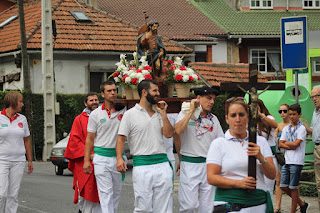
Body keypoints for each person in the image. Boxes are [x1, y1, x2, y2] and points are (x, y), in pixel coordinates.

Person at [207, 97, 276, 213]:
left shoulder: (261, 142)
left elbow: (272, 174)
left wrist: (261, 157)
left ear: (248, 117)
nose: (238, 119)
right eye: (233, 115)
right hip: (229, 204)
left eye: (241, 115)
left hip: (257, 204)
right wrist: (239, 183)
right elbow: (211, 177)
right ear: (227, 119)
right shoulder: (219, 144)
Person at [116, 79, 173, 213]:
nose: (158, 93)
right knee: (143, 208)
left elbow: (169, 134)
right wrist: (119, 158)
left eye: (157, 91)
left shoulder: (160, 113)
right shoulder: (129, 114)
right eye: (155, 91)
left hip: (162, 165)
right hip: (142, 166)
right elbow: (121, 138)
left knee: (164, 208)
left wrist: (164, 114)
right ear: (144, 92)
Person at [175, 86, 224, 213]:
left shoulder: (214, 119)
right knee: (189, 206)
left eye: (213, 99)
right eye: (208, 98)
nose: (212, 102)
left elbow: (221, 143)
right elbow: (178, 130)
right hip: (190, 165)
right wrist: (191, 111)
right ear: (198, 98)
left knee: (207, 207)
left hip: (209, 166)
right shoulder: (185, 114)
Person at [83, 81, 126, 213]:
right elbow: (90, 139)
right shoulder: (95, 114)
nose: (113, 93)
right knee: (105, 193)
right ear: (102, 94)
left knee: (115, 194)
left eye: (114, 90)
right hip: (101, 158)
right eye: (109, 91)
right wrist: (86, 161)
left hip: (118, 158)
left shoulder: (124, 110)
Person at [64, 92, 100, 213]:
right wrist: (88, 154)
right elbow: (74, 141)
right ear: (85, 103)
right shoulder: (79, 119)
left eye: (96, 100)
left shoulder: (104, 116)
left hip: (101, 159)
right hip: (84, 161)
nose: (94, 102)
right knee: (85, 193)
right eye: (91, 100)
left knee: (102, 194)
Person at [0, 91, 33, 213]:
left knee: (13, 194)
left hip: (18, 161)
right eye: (20, 101)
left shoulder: (22, 119)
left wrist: (29, 160)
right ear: (12, 102)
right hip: (2, 160)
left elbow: (26, 140)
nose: (22, 104)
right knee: (1, 194)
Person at [279, 104, 309, 213]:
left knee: (293, 187)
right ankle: (302, 204)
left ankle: (293, 211)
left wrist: (287, 143)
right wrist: (290, 144)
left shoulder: (301, 128)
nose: (291, 116)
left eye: (294, 114)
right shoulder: (286, 128)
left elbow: (296, 144)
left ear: (299, 115)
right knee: (283, 185)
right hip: (287, 160)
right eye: (290, 114)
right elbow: (280, 144)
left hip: (296, 161)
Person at [257, 99, 278, 201]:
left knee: (268, 189)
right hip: (255, 157)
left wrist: (260, 115)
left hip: (269, 156)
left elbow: (275, 125)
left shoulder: (268, 118)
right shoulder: (249, 120)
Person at [305, 85, 320, 210]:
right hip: (317, 148)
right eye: (312, 97)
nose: (314, 99)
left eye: (317, 96)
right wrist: (304, 127)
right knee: (319, 183)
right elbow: (313, 132)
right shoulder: (315, 112)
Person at [274, 104, 290, 213]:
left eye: (284, 111)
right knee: (278, 181)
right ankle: (277, 206)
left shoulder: (293, 125)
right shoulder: (278, 125)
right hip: (280, 155)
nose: (282, 113)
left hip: (290, 154)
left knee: (292, 182)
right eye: (280, 111)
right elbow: (274, 139)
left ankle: (297, 203)